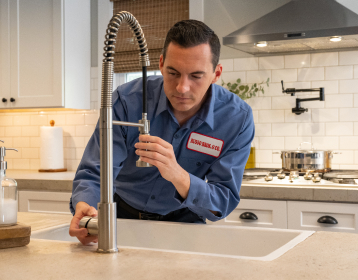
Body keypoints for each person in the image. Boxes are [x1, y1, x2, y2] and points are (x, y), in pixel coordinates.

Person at [69, 20, 255, 245]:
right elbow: (95, 172)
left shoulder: (237, 118)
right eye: (173, 73)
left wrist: (178, 175)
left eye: (196, 76)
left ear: (216, 74)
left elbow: (222, 202)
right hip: (122, 218)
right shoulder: (126, 101)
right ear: (160, 63)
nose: (182, 88)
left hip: (185, 223)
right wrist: (85, 207)